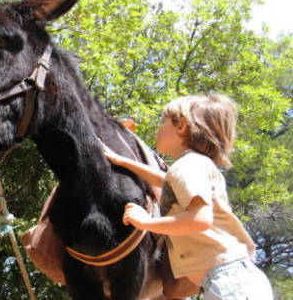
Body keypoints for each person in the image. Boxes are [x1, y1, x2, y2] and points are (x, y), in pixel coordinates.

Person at [102, 94, 273, 300]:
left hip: (228, 282)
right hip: (230, 279)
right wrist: (123, 161)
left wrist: (147, 222)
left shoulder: (189, 166)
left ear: (181, 126)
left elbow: (199, 219)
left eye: (162, 122)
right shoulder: (192, 166)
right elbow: (166, 180)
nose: (158, 129)